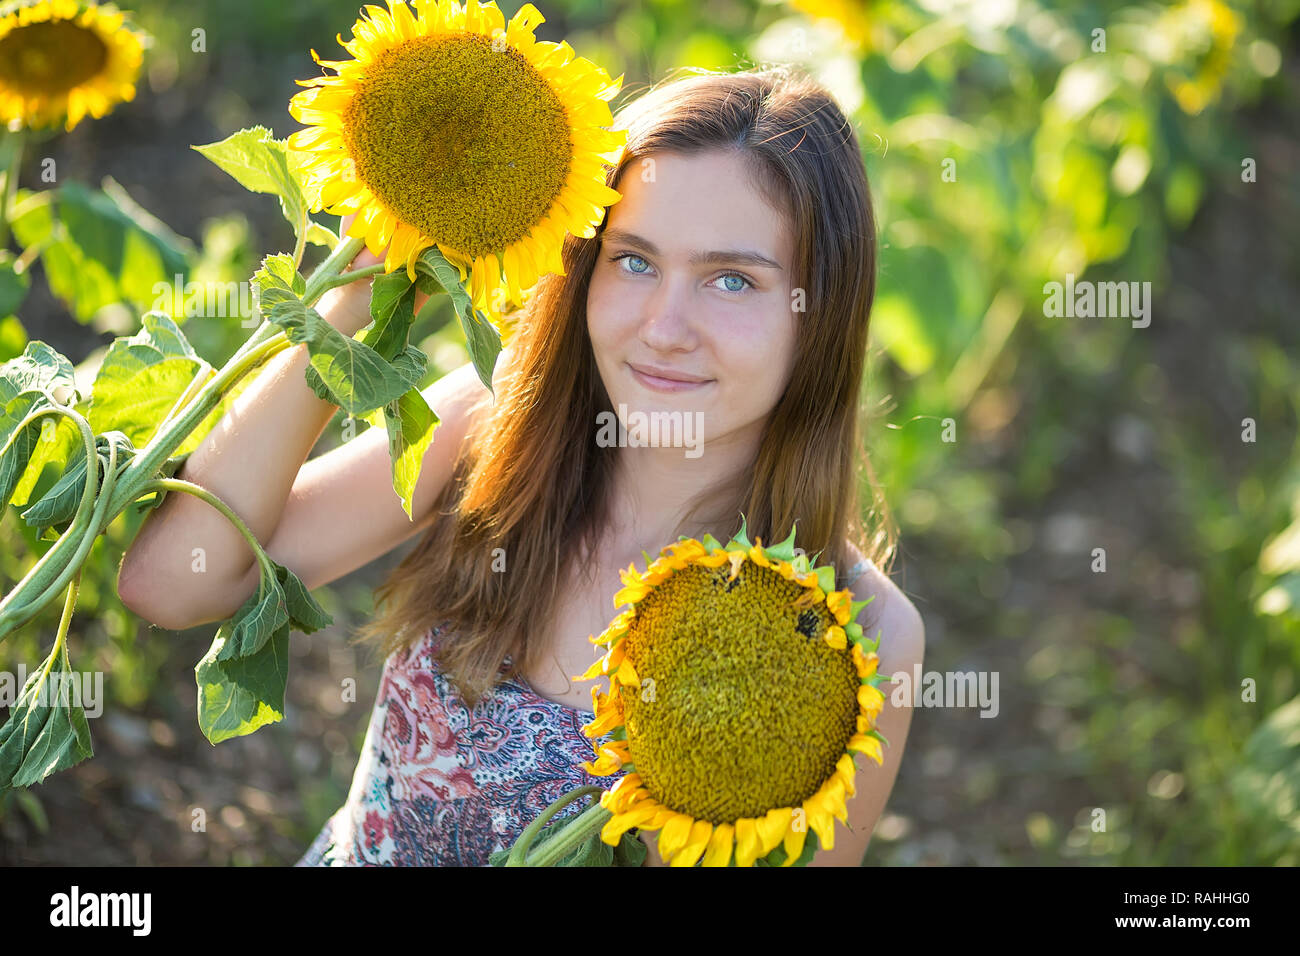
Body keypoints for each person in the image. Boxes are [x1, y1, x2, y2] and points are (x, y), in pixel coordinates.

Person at [117, 64, 925, 867]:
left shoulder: (853, 636)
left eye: (732, 279)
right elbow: (176, 583)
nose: (664, 326)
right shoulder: (496, 426)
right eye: (634, 260)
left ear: (819, 310)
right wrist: (360, 294)